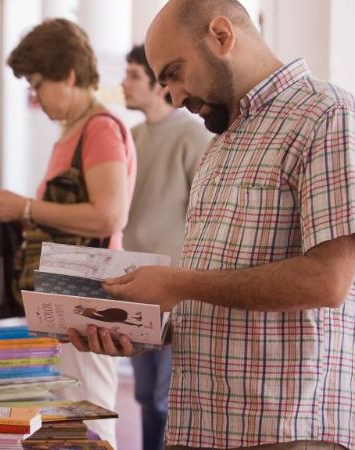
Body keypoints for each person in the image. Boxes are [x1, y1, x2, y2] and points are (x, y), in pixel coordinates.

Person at [68, 1, 355, 449]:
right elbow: (217, 295)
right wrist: (141, 330)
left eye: (174, 72)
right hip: (205, 428)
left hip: (287, 430)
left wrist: (178, 283)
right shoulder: (220, 147)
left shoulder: (327, 115)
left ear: (222, 36)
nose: (174, 96)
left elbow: (328, 281)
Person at [0, 18, 137, 447]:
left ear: (69, 74)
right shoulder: (74, 131)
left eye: (38, 84)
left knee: (86, 418)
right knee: (63, 419)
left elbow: (109, 216)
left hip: (88, 294)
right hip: (65, 294)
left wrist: (28, 207)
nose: (35, 97)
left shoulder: (100, 128)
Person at [120, 44, 212, 450]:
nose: (123, 83)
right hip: (131, 284)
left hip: (173, 290)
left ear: (160, 86)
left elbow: (205, 214)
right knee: (144, 395)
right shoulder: (131, 137)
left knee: (164, 398)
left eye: (133, 76)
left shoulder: (193, 136)